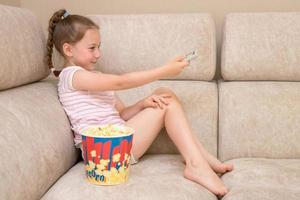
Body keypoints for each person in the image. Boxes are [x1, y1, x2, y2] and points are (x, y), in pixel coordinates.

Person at [46, 9, 233, 196]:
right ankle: (195, 164)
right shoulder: (72, 76)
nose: (99, 54)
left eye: (99, 47)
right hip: (105, 154)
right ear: (68, 49)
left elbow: (121, 115)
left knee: (163, 93)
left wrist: (143, 103)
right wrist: (164, 70)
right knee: (167, 102)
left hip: (116, 141)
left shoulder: (95, 77)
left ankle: (199, 157)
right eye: (92, 48)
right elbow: (121, 82)